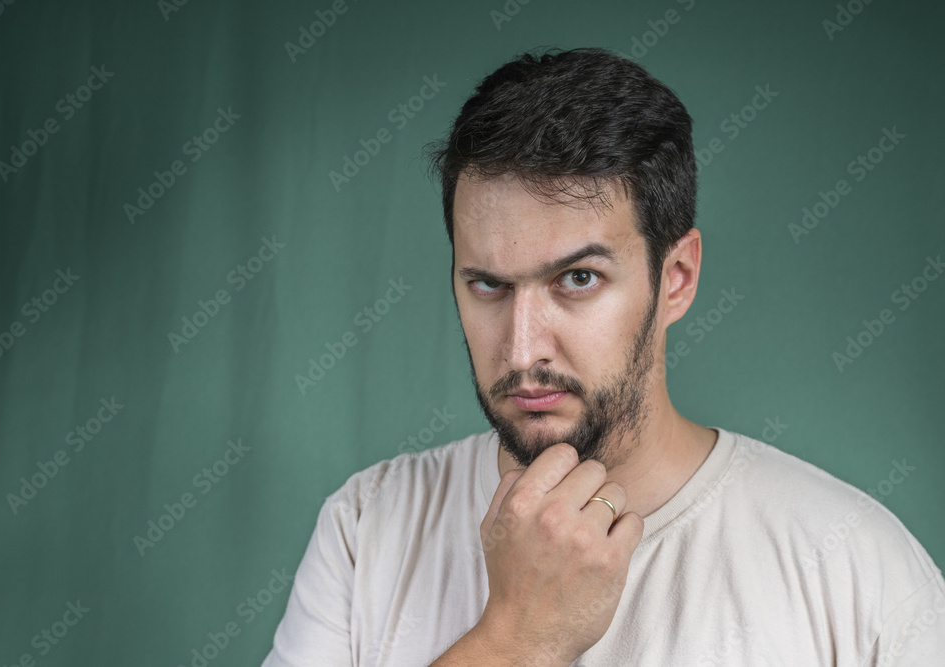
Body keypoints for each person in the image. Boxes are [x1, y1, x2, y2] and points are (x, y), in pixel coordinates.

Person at [261, 47, 945, 666]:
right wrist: (517, 638)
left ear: (674, 278)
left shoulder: (858, 566)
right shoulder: (368, 527)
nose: (523, 347)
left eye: (578, 279)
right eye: (488, 284)